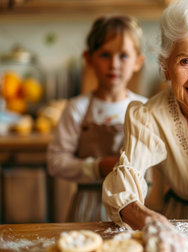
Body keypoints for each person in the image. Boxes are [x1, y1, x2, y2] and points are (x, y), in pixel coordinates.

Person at [102, 0, 188, 231]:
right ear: (165, 66)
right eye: (186, 61)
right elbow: (124, 183)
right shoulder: (148, 116)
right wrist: (146, 219)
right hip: (180, 226)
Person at [47, 14, 147, 222]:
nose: (114, 64)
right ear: (89, 59)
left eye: (123, 56)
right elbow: (56, 161)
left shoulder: (144, 109)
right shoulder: (77, 109)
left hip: (134, 208)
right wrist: (96, 167)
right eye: (104, 55)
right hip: (88, 208)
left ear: (138, 62)